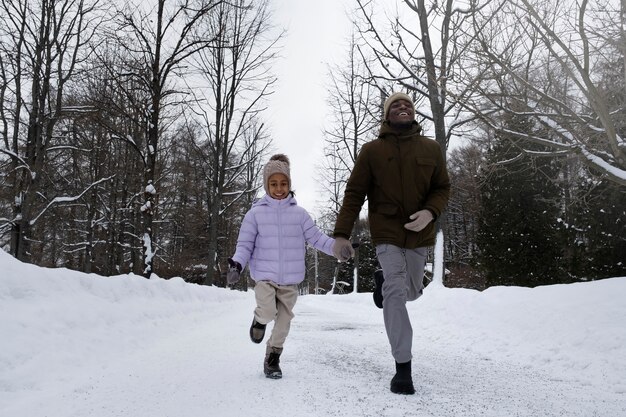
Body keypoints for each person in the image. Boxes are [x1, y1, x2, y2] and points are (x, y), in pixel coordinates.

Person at [332, 92, 451, 395]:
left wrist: (429, 212)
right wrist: (342, 234)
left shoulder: (431, 149)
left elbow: (441, 188)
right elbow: (354, 194)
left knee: (412, 290)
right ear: (386, 116)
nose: (402, 106)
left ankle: (383, 282)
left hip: (419, 232)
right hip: (386, 232)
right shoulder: (372, 151)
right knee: (397, 294)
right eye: (395, 104)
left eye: (407, 104)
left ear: (413, 113)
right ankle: (403, 369)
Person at [226, 154, 345, 379]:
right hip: (265, 278)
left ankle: (272, 358)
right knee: (269, 311)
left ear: (289, 184)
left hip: (290, 281)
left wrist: (337, 248)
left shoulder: (299, 215)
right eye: (273, 184)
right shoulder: (255, 214)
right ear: (266, 185)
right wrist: (237, 265)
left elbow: (317, 239)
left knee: (283, 323)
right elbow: (244, 245)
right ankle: (260, 319)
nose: (279, 189)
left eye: (283, 183)